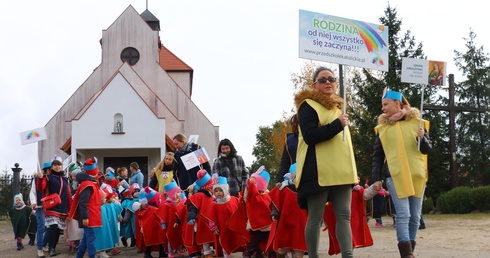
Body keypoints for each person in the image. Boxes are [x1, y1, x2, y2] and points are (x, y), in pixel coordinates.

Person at [294, 67, 358, 258]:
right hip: (318, 172)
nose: (328, 82)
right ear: (314, 85)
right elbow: (310, 136)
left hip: (342, 171)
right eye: (323, 80)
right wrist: (337, 125)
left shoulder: (339, 109)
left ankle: (348, 255)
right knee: (315, 218)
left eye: (331, 79)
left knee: (344, 217)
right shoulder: (307, 106)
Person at [371, 88, 432, 258]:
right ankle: (406, 255)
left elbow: (427, 150)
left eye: (385, 104)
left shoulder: (418, 123)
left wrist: (422, 138)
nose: (383, 108)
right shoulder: (382, 128)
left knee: (415, 216)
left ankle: (409, 251)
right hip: (395, 175)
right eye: (382, 105)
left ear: (397, 104)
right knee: (403, 215)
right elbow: (377, 156)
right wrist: (376, 178)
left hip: (417, 175)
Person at [202, 175, 247, 258]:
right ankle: (226, 255)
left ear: (225, 190)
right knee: (224, 242)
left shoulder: (233, 200)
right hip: (223, 229)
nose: (218, 192)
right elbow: (211, 217)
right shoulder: (214, 205)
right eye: (216, 191)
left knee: (239, 240)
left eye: (220, 190)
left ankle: (245, 253)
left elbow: (239, 211)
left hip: (234, 227)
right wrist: (213, 228)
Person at [36, 156, 72, 257]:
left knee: (58, 229)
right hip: (51, 206)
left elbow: (69, 195)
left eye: (59, 165)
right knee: (53, 226)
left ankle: (53, 248)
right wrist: (40, 179)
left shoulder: (65, 179)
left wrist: (70, 209)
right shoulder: (47, 177)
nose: (57, 167)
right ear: (52, 167)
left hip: (62, 208)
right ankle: (51, 248)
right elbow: (40, 187)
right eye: (55, 165)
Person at [269, 164, 307, 258]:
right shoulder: (284, 189)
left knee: (299, 251)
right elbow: (276, 203)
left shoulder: (306, 192)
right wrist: (275, 213)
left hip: (300, 225)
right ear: (293, 177)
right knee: (282, 249)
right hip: (285, 224)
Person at [68, 157, 103, 258]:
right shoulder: (87, 184)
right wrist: (85, 217)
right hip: (89, 216)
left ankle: (79, 256)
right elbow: (83, 203)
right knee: (91, 239)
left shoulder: (90, 182)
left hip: (91, 214)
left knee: (85, 239)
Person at [29, 161, 51, 258]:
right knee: (41, 226)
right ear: (47, 170)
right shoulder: (37, 178)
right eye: (50, 169)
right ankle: (39, 249)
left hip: (50, 206)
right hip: (40, 206)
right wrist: (33, 202)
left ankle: (44, 243)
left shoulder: (54, 179)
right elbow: (33, 191)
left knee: (49, 227)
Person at [275, 114, 299, 186]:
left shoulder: (312, 136)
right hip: (295, 177)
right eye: (293, 124)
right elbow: (285, 162)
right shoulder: (290, 140)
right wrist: (279, 180)